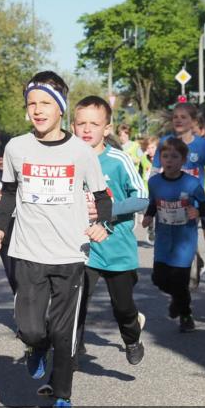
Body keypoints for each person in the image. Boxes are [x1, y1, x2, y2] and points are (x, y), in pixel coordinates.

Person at [0, 73, 111, 408]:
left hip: (71, 254)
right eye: (31, 104)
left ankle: (62, 398)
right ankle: (34, 346)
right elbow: (9, 192)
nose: (37, 110)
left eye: (44, 103)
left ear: (60, 108)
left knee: (64, 333)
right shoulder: (16, 148)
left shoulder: (81, 152)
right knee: (31, 329)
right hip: (27, 252)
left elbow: (102, 198)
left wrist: (103, 224)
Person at [72, 96, 148, 366]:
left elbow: (141, 198)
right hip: (83, 248)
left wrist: (108, 210)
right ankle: (73, 347)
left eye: (94, 123)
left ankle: (132, 338)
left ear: (106, 128)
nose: (87, 129)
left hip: (116, 246)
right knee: (77, 302)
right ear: (73, 126)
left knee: (123, 306)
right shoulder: (68, 159)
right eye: (81, 123)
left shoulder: (118, 160)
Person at [143, 137, 205, 333]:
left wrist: (197, 212)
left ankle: (185, 314)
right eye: (165, 156)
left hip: (184, 240)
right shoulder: (155, 182)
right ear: (160, 159)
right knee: (159, 278)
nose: (169, 160)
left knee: (180, 281)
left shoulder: (190, 183)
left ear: (183, 160)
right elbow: (152, 203)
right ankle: (178, 300)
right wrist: (148, 216)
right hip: (164, 240)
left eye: (174, 156)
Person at [152, 103, 205, 287]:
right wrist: (152, 194)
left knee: (201, 234)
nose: (178, 120)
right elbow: (154, 170)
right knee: (180, 236)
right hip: (171, 200)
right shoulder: (165, 142)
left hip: (197, 200)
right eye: (175, 116)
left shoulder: (201, 144)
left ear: (193, 122)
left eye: (183, 117)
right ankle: (193, 267)